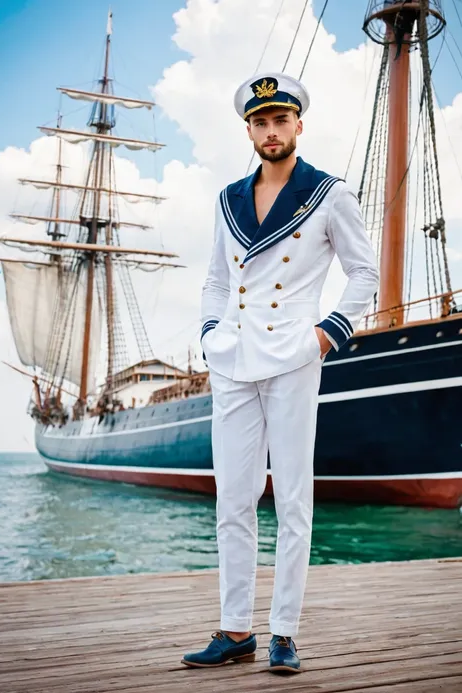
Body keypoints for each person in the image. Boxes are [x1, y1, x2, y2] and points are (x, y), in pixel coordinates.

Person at [181, 72, 379, 675]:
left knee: (294, 498)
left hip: (294, 356)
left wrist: (325, 336)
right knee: (233, 499)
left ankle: (284, 633)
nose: (271, 132)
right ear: (249, 130)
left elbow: (363, 274)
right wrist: (211, 334)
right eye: (260, 123)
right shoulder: (226, 199)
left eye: (280, 121)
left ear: (298, 124)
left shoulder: (329, 193)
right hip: (234, 362)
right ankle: (235, 629)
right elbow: (217, 279)